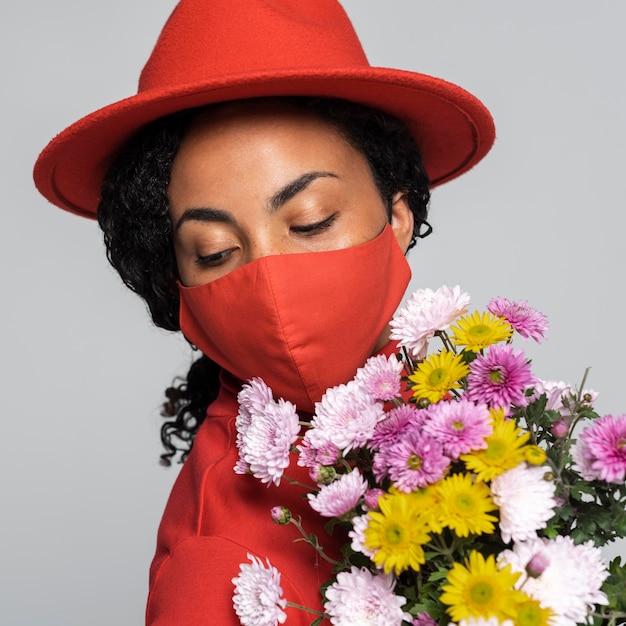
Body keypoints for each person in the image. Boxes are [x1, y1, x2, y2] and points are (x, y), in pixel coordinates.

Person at [33, 0, 495, 623]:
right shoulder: (214, 575)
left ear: (398, 217)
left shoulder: (478, 427)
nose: (271, 280)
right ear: (175, 284)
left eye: (311, 221)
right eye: (216, 251)